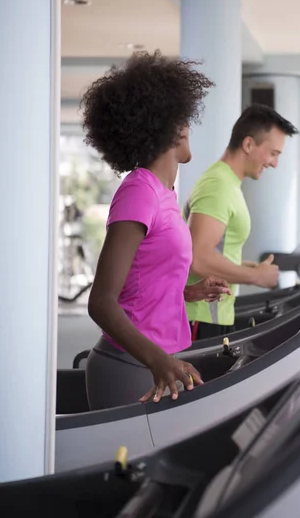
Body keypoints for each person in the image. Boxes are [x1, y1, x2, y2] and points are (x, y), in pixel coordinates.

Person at [81, 50, 231, 410]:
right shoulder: (139, 192)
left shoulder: (163, 194)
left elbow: (141, 284)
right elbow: (101, 302)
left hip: (153, 360)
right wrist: (157, 361)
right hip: (131, 365)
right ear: (172, 128)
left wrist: (187, 293)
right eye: (184, 119)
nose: (188, 126)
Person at [184, 103, 299, 340]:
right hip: (201, 315)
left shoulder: (228, 183)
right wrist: (256, 277)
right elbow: (198, 257)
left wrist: (249, 267)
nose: (274, 163)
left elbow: (218, 251)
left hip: (213, 314)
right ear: (248, 144)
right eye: (273, 153)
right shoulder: (218, 186)